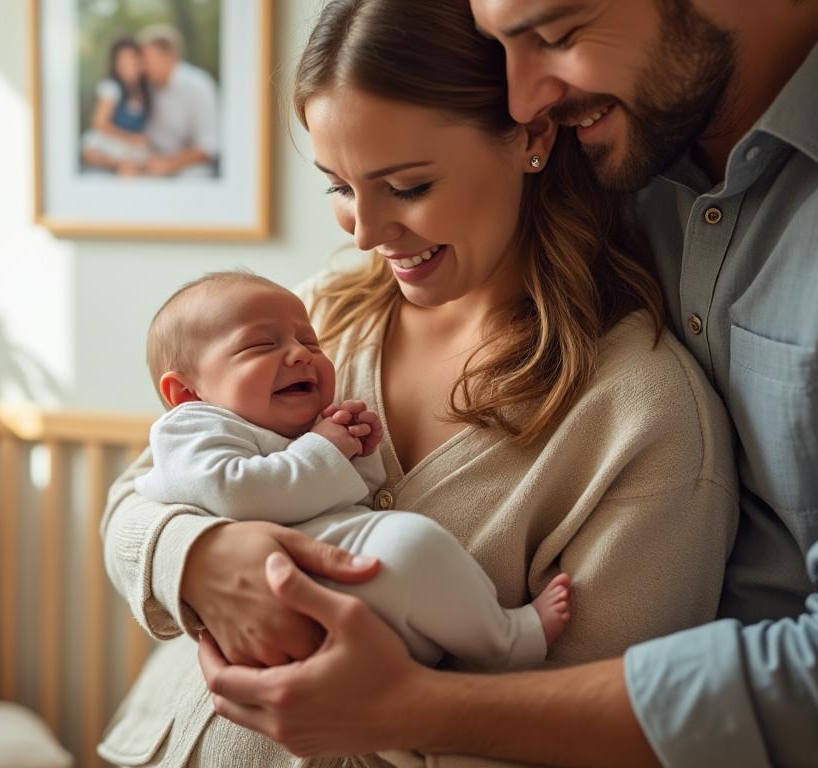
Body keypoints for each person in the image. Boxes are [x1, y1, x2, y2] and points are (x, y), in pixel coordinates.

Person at [198, 0, 818, 766]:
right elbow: (171, 453)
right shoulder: (343, 301)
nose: (526, 98)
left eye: (555, 36)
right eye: (500, 45)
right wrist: (193, 555)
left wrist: (406, 712)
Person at [97, 0, 738, 764]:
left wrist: (392, 715)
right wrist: (195, 559)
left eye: (405, 187)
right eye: (339, 187)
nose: (365, 233)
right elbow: (132, 502)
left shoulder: (641, 418)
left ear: (531, 135)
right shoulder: (317, 319)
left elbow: (600, 731)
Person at [138, 270, 572, 675]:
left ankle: (482, 634)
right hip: (295, 592)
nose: (299, 355)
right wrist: (325, 447)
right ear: (186, 391)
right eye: (260, 346)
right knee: (413, 544)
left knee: (417, 547)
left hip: (349, 596)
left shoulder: (294, 428)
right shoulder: (190, 428)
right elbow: (235, 492)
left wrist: (359, 453)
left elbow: (350, 497)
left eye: (310, 343)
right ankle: (507, 639)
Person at [135, 24, 219, 178]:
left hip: (190, 170)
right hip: (150, 165)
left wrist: (170, 164)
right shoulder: (143, 87)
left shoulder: (199, 86)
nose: (142, 68)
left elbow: (209, 145)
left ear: (170, 56)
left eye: (147, 60)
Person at [80, 38, 154, 176]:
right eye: (123, 60)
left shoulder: (146, 91)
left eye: (133, 58)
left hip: (134, 147)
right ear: (115, 64)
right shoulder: (111, 88)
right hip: (111, 143)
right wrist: (130, 138)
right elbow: (100, 123)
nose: (129, 64)